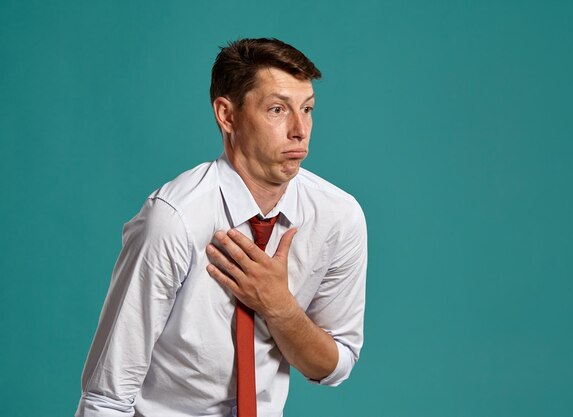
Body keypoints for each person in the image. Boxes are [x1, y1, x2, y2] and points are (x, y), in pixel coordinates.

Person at [75, 38, 367, 417]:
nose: (300, 130)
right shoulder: (172, 221)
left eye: (307, 109)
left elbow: (334, 367)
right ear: (227, 116)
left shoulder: (338, 217)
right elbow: (106, 398)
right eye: (278, 110)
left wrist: (280, 308)